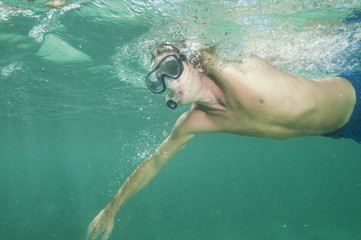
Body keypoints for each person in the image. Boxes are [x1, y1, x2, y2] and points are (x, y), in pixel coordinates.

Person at [87, 42, 360, 240]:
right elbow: (156, 160)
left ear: (193, 61)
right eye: (158, 79)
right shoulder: (196, 121)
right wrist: (112, 208)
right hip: (342, 129)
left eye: (171, 68)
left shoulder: (230, 68)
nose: (168, 83)